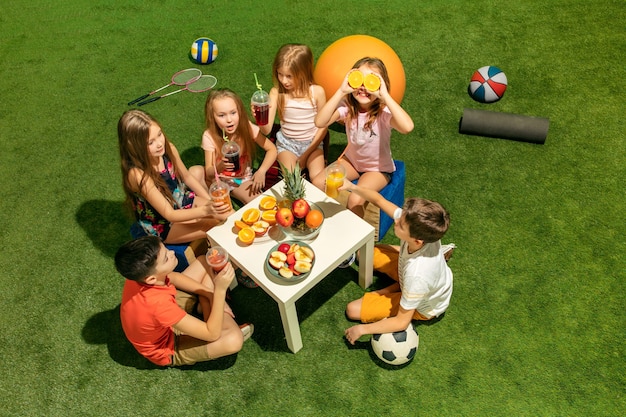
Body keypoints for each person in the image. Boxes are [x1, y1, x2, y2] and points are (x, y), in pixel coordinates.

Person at [340, 180, 455, 345]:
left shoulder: (417, 276)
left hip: (424, 304)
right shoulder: (414, 224)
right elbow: (379, 200)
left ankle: (402, 289)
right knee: (363, 254)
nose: (396, 221)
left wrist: (362, 330)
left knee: (353, 310)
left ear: (417, 241)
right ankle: (404, 283)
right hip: (416, 274)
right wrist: (352, 187)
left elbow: (401, 322)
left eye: (400, 225)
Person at [115, 235, 253, 366]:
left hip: (165, 315)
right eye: (166, 259)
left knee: (204, 261)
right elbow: (211, 334)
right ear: (151, 279)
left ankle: (204, 305)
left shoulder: (139, 276)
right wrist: (220, 292)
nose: (172, 253)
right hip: (169, 345)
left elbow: (173, 277)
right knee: (233, 340)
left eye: (166, 249)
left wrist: (209, 294)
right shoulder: (158, 306)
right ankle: (208, 310)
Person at [312, 57, 414, 219]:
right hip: (352, 161)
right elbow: (320, 121)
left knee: (355, 199)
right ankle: (328, 219)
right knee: (318, 182)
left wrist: (385, 95)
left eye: (371, 81)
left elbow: (408, 127)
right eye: (359, 79)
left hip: (377, 169)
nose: (363, 87)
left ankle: (357, 238)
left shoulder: (383, 112)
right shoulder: (347, 106)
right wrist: (341, 91)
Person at [118, 109, 233, 244]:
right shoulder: (137, 175)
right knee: (212, 227)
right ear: (134, 146)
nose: (160, 143)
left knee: (228, 213)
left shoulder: (168, 149)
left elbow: (187, 177)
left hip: (182, 200)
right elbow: (169, 214)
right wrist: (207, 210)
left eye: (160, 134)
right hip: (162, 223)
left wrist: (210, 202)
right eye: (151, 142)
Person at [257, 44, 327, 180]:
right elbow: (266, 131)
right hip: (287, 145)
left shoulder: (317, 92)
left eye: (289, 76)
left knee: (318, 178)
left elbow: (323, 126)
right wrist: (260, 117)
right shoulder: (276, 92)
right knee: (291, 180)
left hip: (313, 143)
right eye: (280, 74)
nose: (283, 80)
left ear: (303, 72)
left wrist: (305, 155)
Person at [202, 88, 278, 204]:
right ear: (213, 117)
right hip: (218, 179)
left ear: (239, 111)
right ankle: (210, 202)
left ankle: (222, 195)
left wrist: (261, 171)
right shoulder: (209, 136)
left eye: (233, 113)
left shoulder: (246, 127)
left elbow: (272, 149)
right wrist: (220, 166)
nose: (229, 120)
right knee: (195, 172)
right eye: (221, 115)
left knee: (261, 203)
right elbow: (209, 172)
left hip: (240, 180)